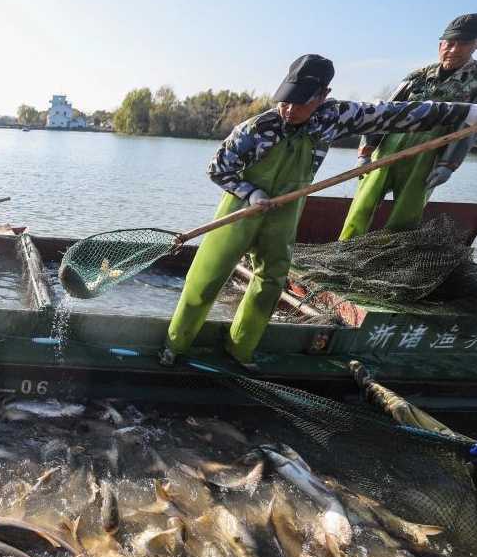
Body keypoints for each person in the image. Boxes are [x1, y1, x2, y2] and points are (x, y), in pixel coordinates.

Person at [160, 54, 477, 371]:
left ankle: (240, 349)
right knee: (207, 276)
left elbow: (397, 114)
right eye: (286, 100)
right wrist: (250, 192)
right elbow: (218, 169)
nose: (289, 109)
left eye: (300, 102)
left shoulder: (335, 116)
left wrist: (466, 113)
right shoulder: (256, 128)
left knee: (270, 281)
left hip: (286, 211)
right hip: (241, 209)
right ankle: (176, 345)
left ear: (323, 96)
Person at [339, 14, 477, 240]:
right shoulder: (418, 76)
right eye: (449, 44)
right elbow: (383, 112)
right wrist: (365, 151)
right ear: (440, 44)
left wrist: (448, 164)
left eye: (462, 44)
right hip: (388, 147)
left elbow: (470, 128)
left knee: (405, 217)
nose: (453, 50)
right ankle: (342, 253)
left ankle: (392, 261)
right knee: (361, 206)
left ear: (474, 46)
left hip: (428, 155)